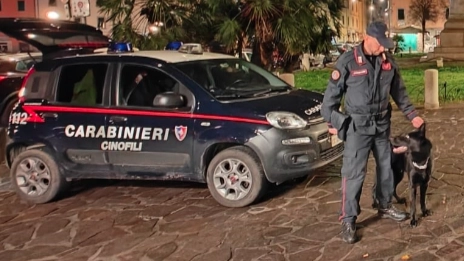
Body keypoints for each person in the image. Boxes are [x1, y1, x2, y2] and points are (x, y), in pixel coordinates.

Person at [320, 21, 424, 244]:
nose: (383, 49)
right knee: (354, 174)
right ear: (367, 38)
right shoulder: (348, 62)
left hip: (381, 125)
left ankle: (384, 205)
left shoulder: (388, 62)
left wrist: (412, 114)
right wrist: (340, 123)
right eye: (379, 44)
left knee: (386, 167)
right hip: (357, 127)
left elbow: (400, 93)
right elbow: (327, 105)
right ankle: (348, 219)